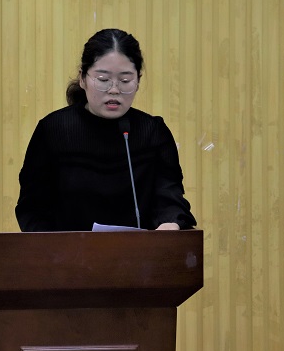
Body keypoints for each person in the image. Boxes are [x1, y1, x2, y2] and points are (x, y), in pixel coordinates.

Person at [15, 28, 196, 232]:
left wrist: (170, 224)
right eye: (103, 79)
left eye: (125, 81)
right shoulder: (54, 131)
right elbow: (33, 207)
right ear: (82, 78)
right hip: (66, 251)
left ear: (138, 81)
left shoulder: (153, 133)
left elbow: (169, 196)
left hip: (141, 251)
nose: (114, 89)